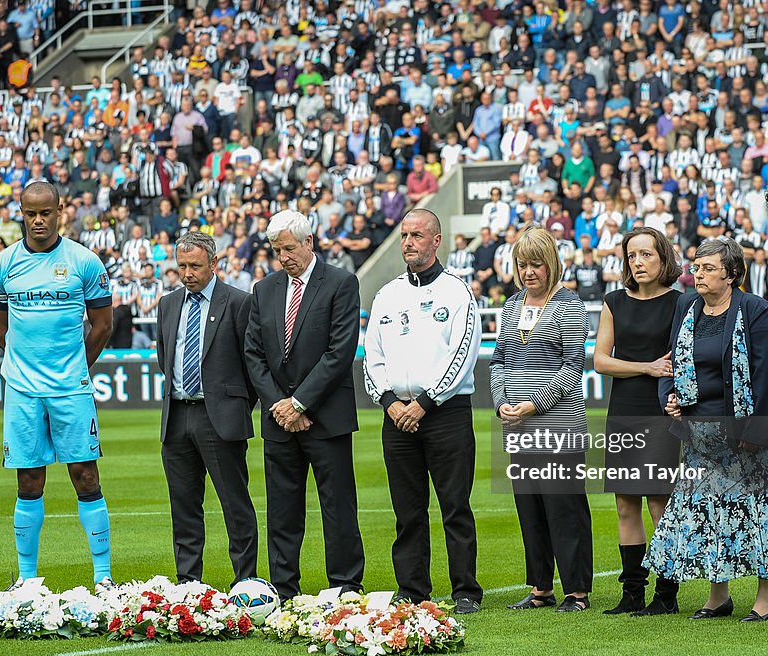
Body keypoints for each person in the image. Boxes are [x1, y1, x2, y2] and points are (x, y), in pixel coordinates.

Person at [647, 238, 768, 622]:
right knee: (709, 513)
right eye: (696, 267)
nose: (698, 274)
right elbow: (670, 363)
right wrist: (670, 400)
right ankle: (719, 596)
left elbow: (766, 375)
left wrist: (757, 430)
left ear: (731, 275)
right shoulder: (685, 305)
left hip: (747, 433)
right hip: (699, 434)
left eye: (709, 268)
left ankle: (767, 596)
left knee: (758, 511)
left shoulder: (755, 309)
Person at [0, 182, 115, 587]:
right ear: (20, 213)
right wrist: (22, 363)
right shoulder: (3, 264)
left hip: (71, 389)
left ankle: (104, 576)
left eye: (45, 213)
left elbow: (103, 324)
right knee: (28, 479)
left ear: (61, 211)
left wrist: (76, 365)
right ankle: (26, 580)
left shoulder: (85, 261)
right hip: (23, 389)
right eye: (30, 214)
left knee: (85, 475)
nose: (38, 221)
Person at [363, 208, 482, 614]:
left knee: (455, 507)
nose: (408, 242)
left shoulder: (457, 291)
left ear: (436, 241)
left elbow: (463, 353)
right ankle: (413, 588)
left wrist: (425, 403)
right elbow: (372, 357)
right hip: (396, 416)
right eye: (404, 235)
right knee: (408, 510)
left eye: (417, 235)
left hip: (444, 413)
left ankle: (465, 589)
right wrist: (390, 402)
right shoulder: (387, 294)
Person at [243, 209, 365, 602]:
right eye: (277, 250)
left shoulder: (341, 283)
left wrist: (299, 403)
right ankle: (283, 587)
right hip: (279, 420)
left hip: (325, 417)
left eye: (289, 248)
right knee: (282, 509)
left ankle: (346, 586)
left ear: (309, 242)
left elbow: (339, 351)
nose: (283, 257)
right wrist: (280, 405)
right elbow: (254, 354)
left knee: (338, 507)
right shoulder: (264, 289)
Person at [487, 225, 593, 613]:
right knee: (529, 509)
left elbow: (571, 371)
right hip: (517, 427)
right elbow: (498, 361)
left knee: (564, 508)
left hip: (559, 425)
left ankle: (577, 591)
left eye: (536, 264)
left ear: (551, 265)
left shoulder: (569, 305)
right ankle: (540, 589)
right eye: (522, 264)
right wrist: (501, 402)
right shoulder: (511, 305)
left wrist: (532, 404)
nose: (529, 272)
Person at [156, 230, 258, 586]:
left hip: (220, 418)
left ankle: (246, 582)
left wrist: (233, 404)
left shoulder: (239, 302)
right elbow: (163, 358)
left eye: (195, 266)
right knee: (184, 508)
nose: (187, 274)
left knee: (235, 505)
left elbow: (252, 366)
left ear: (214, 264)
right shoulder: (168, 304)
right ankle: (188, 583)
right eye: (182, 266)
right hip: (177, 416)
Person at [593, 227, 684, 616]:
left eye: (646, 254)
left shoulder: (682, 303)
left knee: (660, 503)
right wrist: (646, 367)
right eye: (632, 256)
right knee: (625, 504)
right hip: (624, 408)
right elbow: (600, 361)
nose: (638, 262)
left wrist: (662, 379)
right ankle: (632, 593)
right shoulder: (614, 300)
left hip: (663, 410)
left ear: (663, 258)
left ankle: (666, 595)